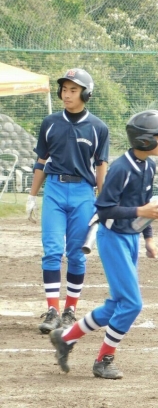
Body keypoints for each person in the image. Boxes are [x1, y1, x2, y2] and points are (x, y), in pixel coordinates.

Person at [49, 110, 158, 379]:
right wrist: (140, 212)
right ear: (144, 140)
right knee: (132, 304)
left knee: (117, 303)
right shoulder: (121, 168)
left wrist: (148, 237)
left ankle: (66, 337)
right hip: (113, 239)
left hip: (130, 238)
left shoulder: (149, 167)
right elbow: (105, 208)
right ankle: (104, 360)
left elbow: (145, 204)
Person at [26, 68, 109, 334]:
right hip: (54, 189)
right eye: (64, 89)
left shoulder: (98, 127)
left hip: (83, 193)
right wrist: (32, 196)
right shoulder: (50, 122)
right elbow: (41, 160)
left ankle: (70, 311)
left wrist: (103, 203)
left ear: (86, 94)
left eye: (74, 90)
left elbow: (101, 166)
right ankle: (52, 310)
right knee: (52, 251)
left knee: (76, 254)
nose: (67, 94)